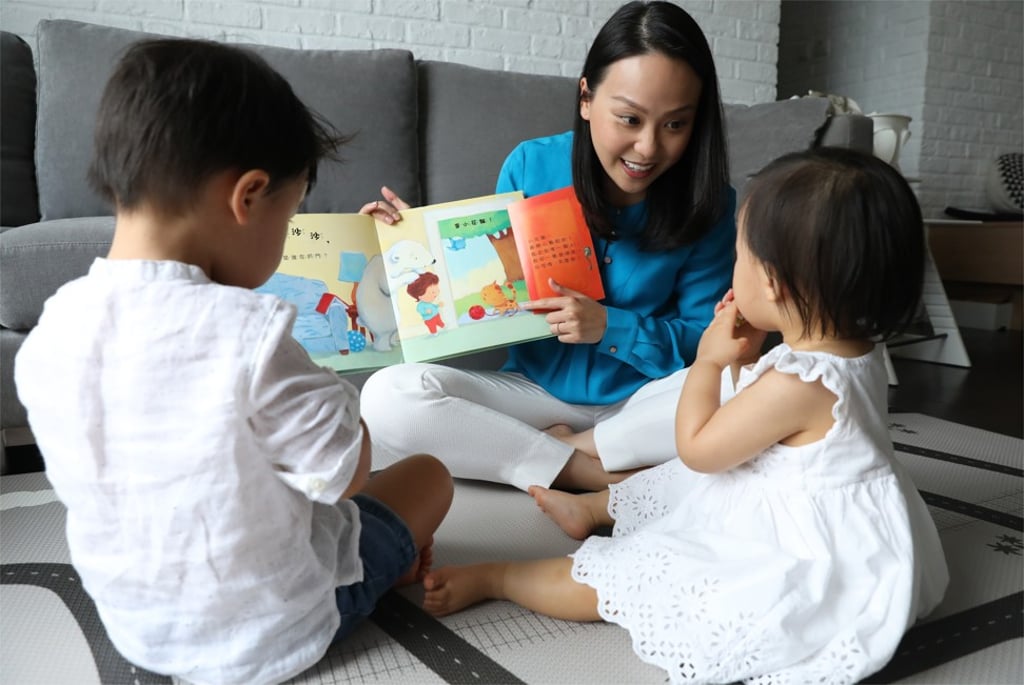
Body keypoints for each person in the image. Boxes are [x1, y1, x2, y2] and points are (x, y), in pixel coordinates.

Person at [418, 147, 950, 684]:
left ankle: (501, 577)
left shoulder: (796, 383)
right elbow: (765, 428)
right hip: (841, 516)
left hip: (797, 543)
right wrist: (742, 359)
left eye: (740, 256)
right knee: (674, 484)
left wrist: (711, 362)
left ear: (773, 284)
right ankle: (594, 506)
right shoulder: (856, 351)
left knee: (637, 575)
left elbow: (698, 449)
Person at [13, 39, 454, 685]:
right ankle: (379, 575)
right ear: (248, 196)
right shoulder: (249, 331)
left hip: (137, 627)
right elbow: (347, 472)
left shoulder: (53, 326)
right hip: (270, 631)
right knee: (427, 475)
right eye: (290, 214)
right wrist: (331, 388)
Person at [359, 0, 736, 492]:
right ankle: (584, 470)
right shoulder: (531, 166)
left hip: (643, 402)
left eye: (675, 125)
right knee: (389, 395)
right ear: (586, 99)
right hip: (532, 395)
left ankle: (560, 449)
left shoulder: (709, 203)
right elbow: (494, 295)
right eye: (629, 119)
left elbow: (705, 341)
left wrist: (610, 327)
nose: (648, 147)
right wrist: (418, 247)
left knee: (746, 385)